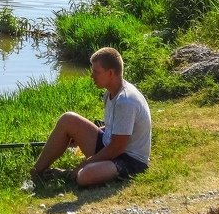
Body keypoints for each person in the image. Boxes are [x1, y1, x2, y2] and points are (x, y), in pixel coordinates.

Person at [31, 47, 151, 188]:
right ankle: (36, 173)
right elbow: (115, 127)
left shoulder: (126, 101)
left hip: (129, 159)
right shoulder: (110, 93)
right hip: (110, 145)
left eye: (96, 72)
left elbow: (117, 147)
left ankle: (68, 174)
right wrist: (80, 135)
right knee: (68, 119)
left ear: (111, 73)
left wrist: (86, 163)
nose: (91, 76)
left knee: (85, 175)